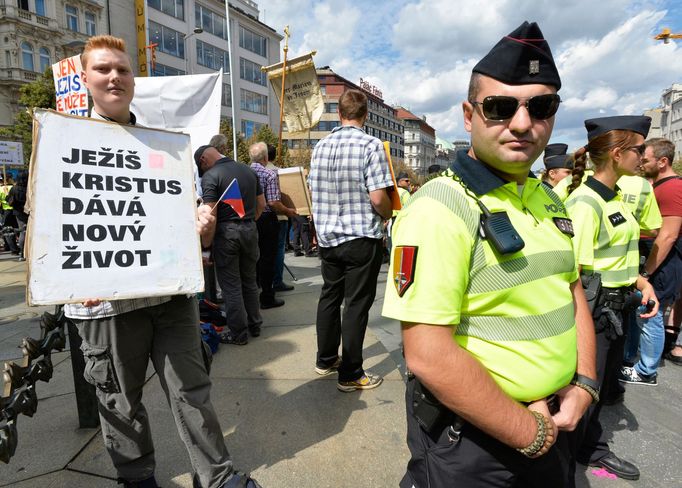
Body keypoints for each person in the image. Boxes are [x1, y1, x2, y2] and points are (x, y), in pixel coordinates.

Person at [383, 21, 597, 487]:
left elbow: (572, 288)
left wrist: (585, 383)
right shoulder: (439, 208)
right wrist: (531, 433)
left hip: (554, 423)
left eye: (541, 107)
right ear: (468, 115)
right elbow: (428, 355)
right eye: (499, 108)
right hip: (478, 444)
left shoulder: (546, 197)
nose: (522, 124)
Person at [62, 35, 260, 488]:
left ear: (133, 79)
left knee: (192, 390)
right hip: (105, 304)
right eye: (103, 69)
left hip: (169, 295)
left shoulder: (163, 148)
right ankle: (138, 479)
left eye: (123, 70)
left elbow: (184, 218)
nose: (115, 77)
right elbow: (54, 226)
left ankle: (218, 477)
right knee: (118, 401)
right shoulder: (63, 141)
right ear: (84, 77)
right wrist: (68, 276)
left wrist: (202, 225)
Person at [565, 115, 659, 481]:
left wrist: (641, 282)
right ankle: (569, 460)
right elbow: (576, 274)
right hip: (596, 310)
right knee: (585, 388)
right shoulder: (586, 205)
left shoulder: (614, 196)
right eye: (638, 149)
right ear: (618, 154)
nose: (644, 155)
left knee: (602, 388)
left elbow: (615, 255)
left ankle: (588, 448)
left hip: (618, 305)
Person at [309, 88, 393, 392]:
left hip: (329, 236)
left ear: (340, 113)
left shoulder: (320, 147)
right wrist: (388, 213)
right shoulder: (371, 146)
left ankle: (326, 359)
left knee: (329, 296)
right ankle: (351, 372)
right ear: (365, 115)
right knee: (356, 304)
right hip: (360, 235)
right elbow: (378, 197)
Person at [196, 144, 265, 345]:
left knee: (231, 286)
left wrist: (206, 249)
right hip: (250, 229)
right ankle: (255, 324)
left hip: (226, 233)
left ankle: (238, 333)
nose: (203, 173)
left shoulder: (211, 176)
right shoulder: (249, 170)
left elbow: (210, 217)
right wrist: (248, 223)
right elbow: (262, 204)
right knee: (250, 281)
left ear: (203, 161)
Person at [630, 138, 682, 371]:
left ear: (662, 162)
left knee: (652, 311)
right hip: (659, 258)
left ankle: (646, 369)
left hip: (664, 260)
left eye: (646, 160)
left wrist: (646, 272)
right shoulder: (658, 186)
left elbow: (667, 236)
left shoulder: (671, 188)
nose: (641, 164)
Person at [249, 142, 297, 308]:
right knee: (268, 258)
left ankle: (253, 293)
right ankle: (267, 296)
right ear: (266, 157)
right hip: (266, 220)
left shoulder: (243, 172)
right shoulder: (269, 174)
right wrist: (288, 211)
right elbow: (273, 202)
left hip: (248, 220)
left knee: (253, 258)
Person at [265, 143, 295, 292]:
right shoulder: (278, 172)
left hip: (261, 217)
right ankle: (277, 281)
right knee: (278, 250)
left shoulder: (254, 170)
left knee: (264, 251)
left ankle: (263, 281)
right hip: (280, 215)